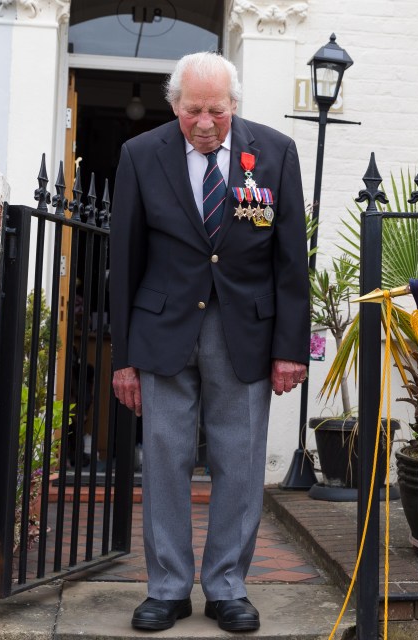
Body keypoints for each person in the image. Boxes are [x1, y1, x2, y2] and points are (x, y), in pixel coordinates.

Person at [110, 52, 309, 633]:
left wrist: (290, 348)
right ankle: (168, 589)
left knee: (241, 464)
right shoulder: (140, 155)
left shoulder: (274, 152)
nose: (204, 122)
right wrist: (124, 358)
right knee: (166, 461)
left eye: (216, 111)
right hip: (163, 331)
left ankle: (227, 586)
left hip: (245, 332)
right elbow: (124, 263)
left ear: (234, 105)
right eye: (192, 110)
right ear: (175, 106)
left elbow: (291, 260)